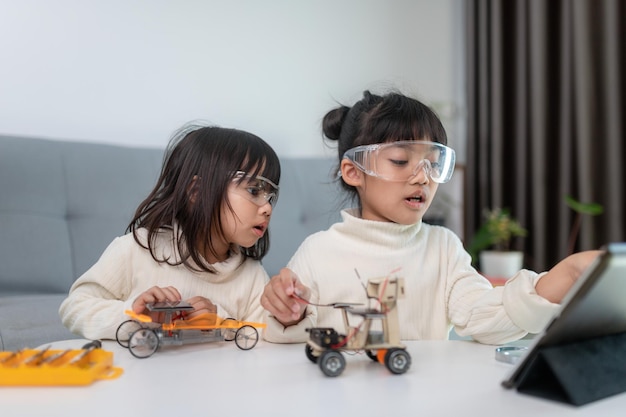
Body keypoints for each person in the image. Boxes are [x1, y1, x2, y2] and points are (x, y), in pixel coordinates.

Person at [261, 90, 600, 345]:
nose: (423, 176)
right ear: (353, 172)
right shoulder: (318, 251)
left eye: (433, 162)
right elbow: (283, 339)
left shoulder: (442, 247)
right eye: (400, 160)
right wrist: (286, 312)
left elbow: (488, 314)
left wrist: (565, 276)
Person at [59, 123, 281, 340]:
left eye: (271, 196)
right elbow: (74, 308)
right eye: (254, 190)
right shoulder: (137, 249)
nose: (268, 208)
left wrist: (219, 323)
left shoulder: (252, 276)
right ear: (197, 191)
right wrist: (136, 316)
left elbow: (262, 342)